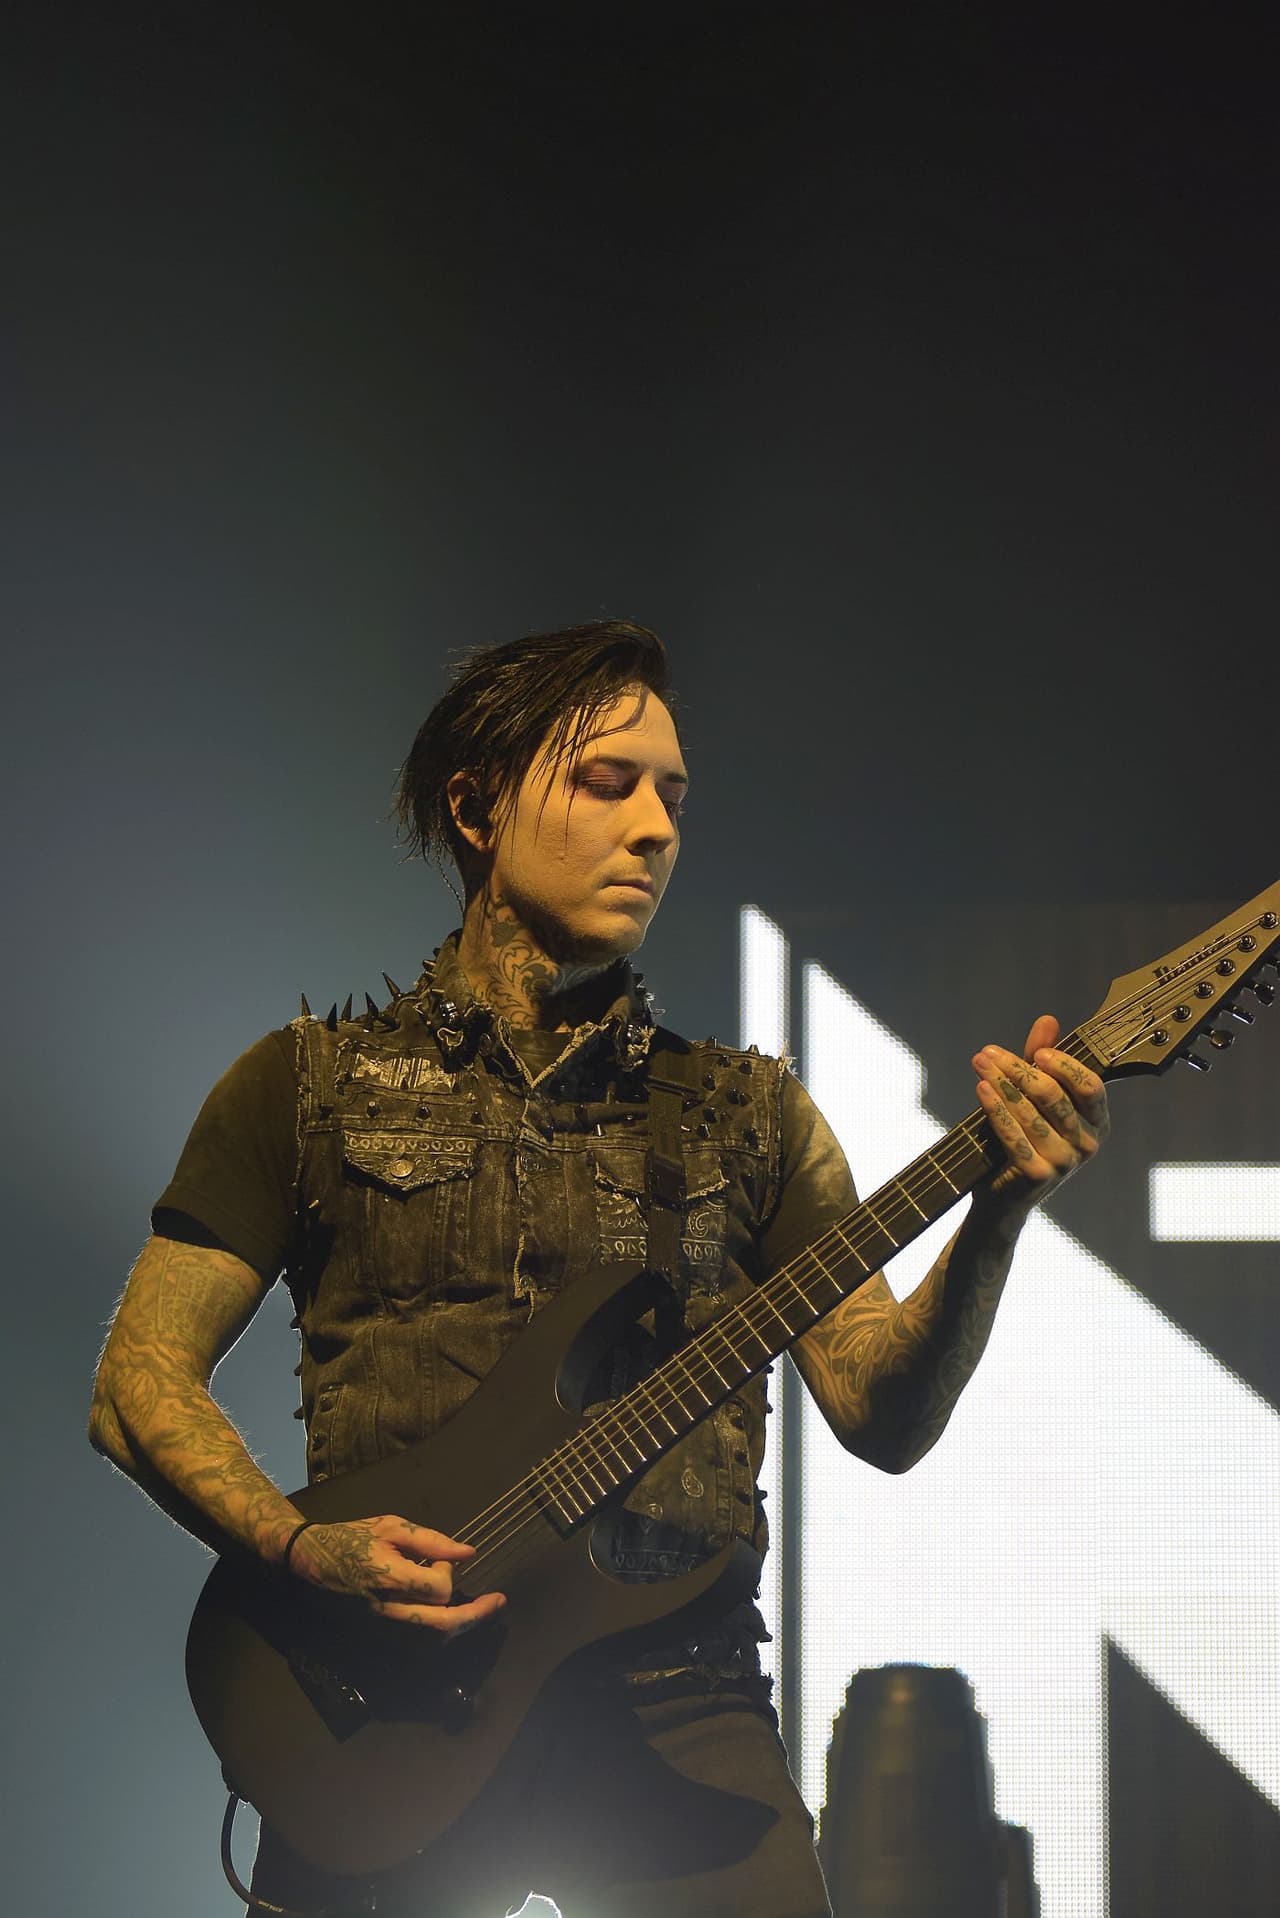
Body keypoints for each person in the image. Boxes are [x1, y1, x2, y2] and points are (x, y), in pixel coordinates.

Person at [90, 619, 1110, 1918]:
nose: (654, 828)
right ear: (476, 807)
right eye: (606, 782)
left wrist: (997, 1219)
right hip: (387, 1699)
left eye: (673, 795)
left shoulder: (751, 1117)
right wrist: (301, 1550)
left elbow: (882, 1413)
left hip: (680, 1702)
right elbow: (136, 1380)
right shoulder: (305, 1089)